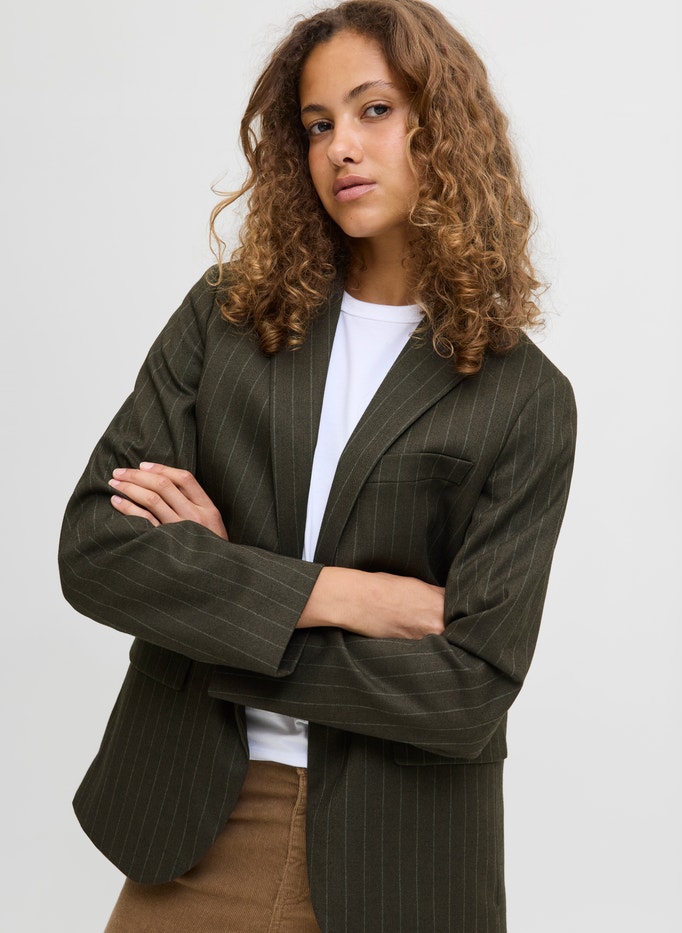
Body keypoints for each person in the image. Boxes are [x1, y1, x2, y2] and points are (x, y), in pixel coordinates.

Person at [58, 1, 576, 930]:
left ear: (443, 125)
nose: (342, 146)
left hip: (402, 854)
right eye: (317, 124)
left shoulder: (524, 397)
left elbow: (468, 690)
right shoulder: (227, 318)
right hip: (199, 819)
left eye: (374, 109)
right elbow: (96, 547)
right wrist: (345, 595)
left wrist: (219, 605)